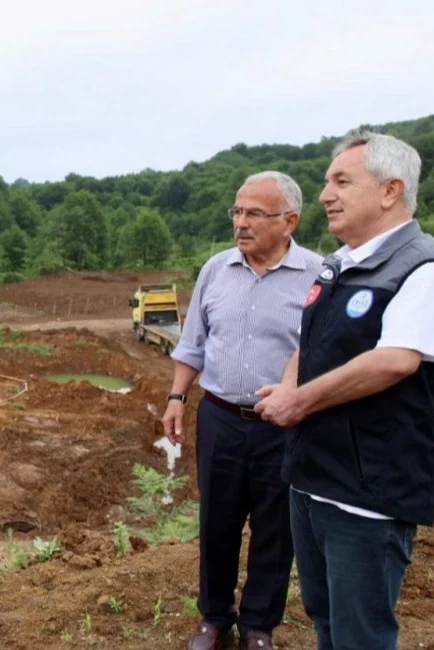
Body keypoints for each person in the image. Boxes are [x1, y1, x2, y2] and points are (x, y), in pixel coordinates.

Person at [255, 131, 434, 650]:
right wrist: (289, 385)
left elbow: (395, 360)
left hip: (367, 494)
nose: (324, 195)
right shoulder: (339, 264)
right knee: (326, 617)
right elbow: (307, 343)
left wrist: (300, 401)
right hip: (313, 479)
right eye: (326, 181)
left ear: (390, 190)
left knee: (362, 633)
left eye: (341, 181)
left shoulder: (421, 267)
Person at [163, 170, 323, 650]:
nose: (241, 222)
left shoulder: (320, 274)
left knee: (276, 526)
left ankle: (258, 626)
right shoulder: (216, 269)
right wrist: (176, 396)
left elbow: (325, 351)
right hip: (219, 418)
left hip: (285, 425)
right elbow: (193, 342)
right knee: (217, 521)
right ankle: (214, 618)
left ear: (289, 220)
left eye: (255, 212)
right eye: (237, 211)